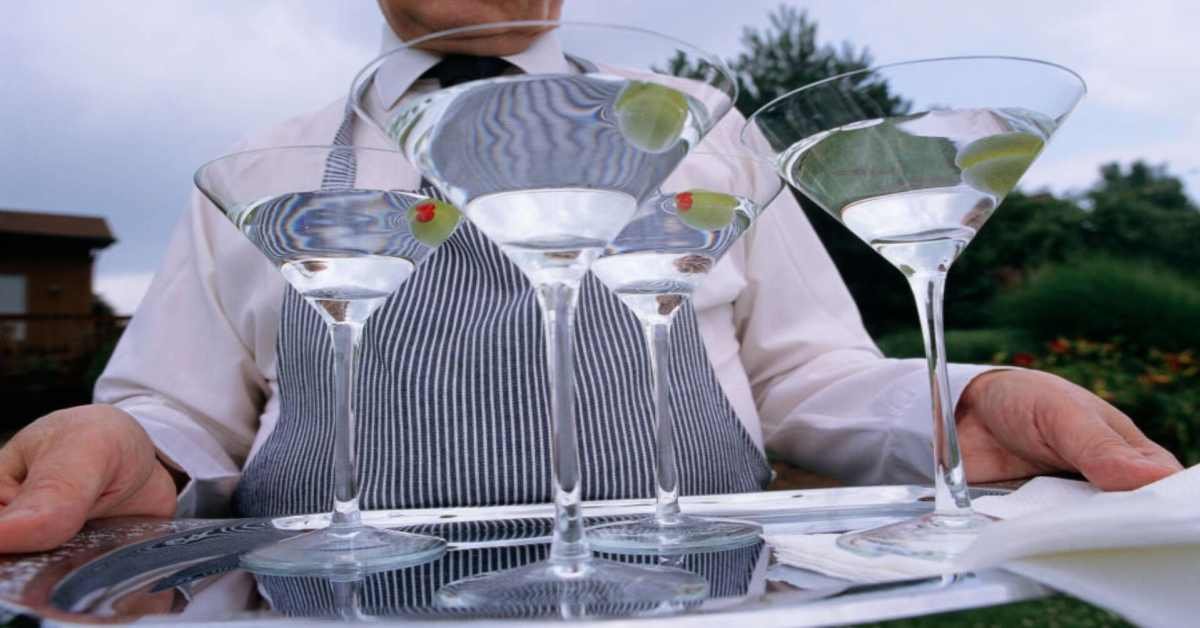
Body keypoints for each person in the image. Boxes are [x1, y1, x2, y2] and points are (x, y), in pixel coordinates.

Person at [0, 0, 1182, 553]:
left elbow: (807, 374)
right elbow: (178, 414)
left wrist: (963, 405)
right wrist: (115, 445)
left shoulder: (702, 126)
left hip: (699, 596)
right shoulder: (267, 161)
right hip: (326, 604)